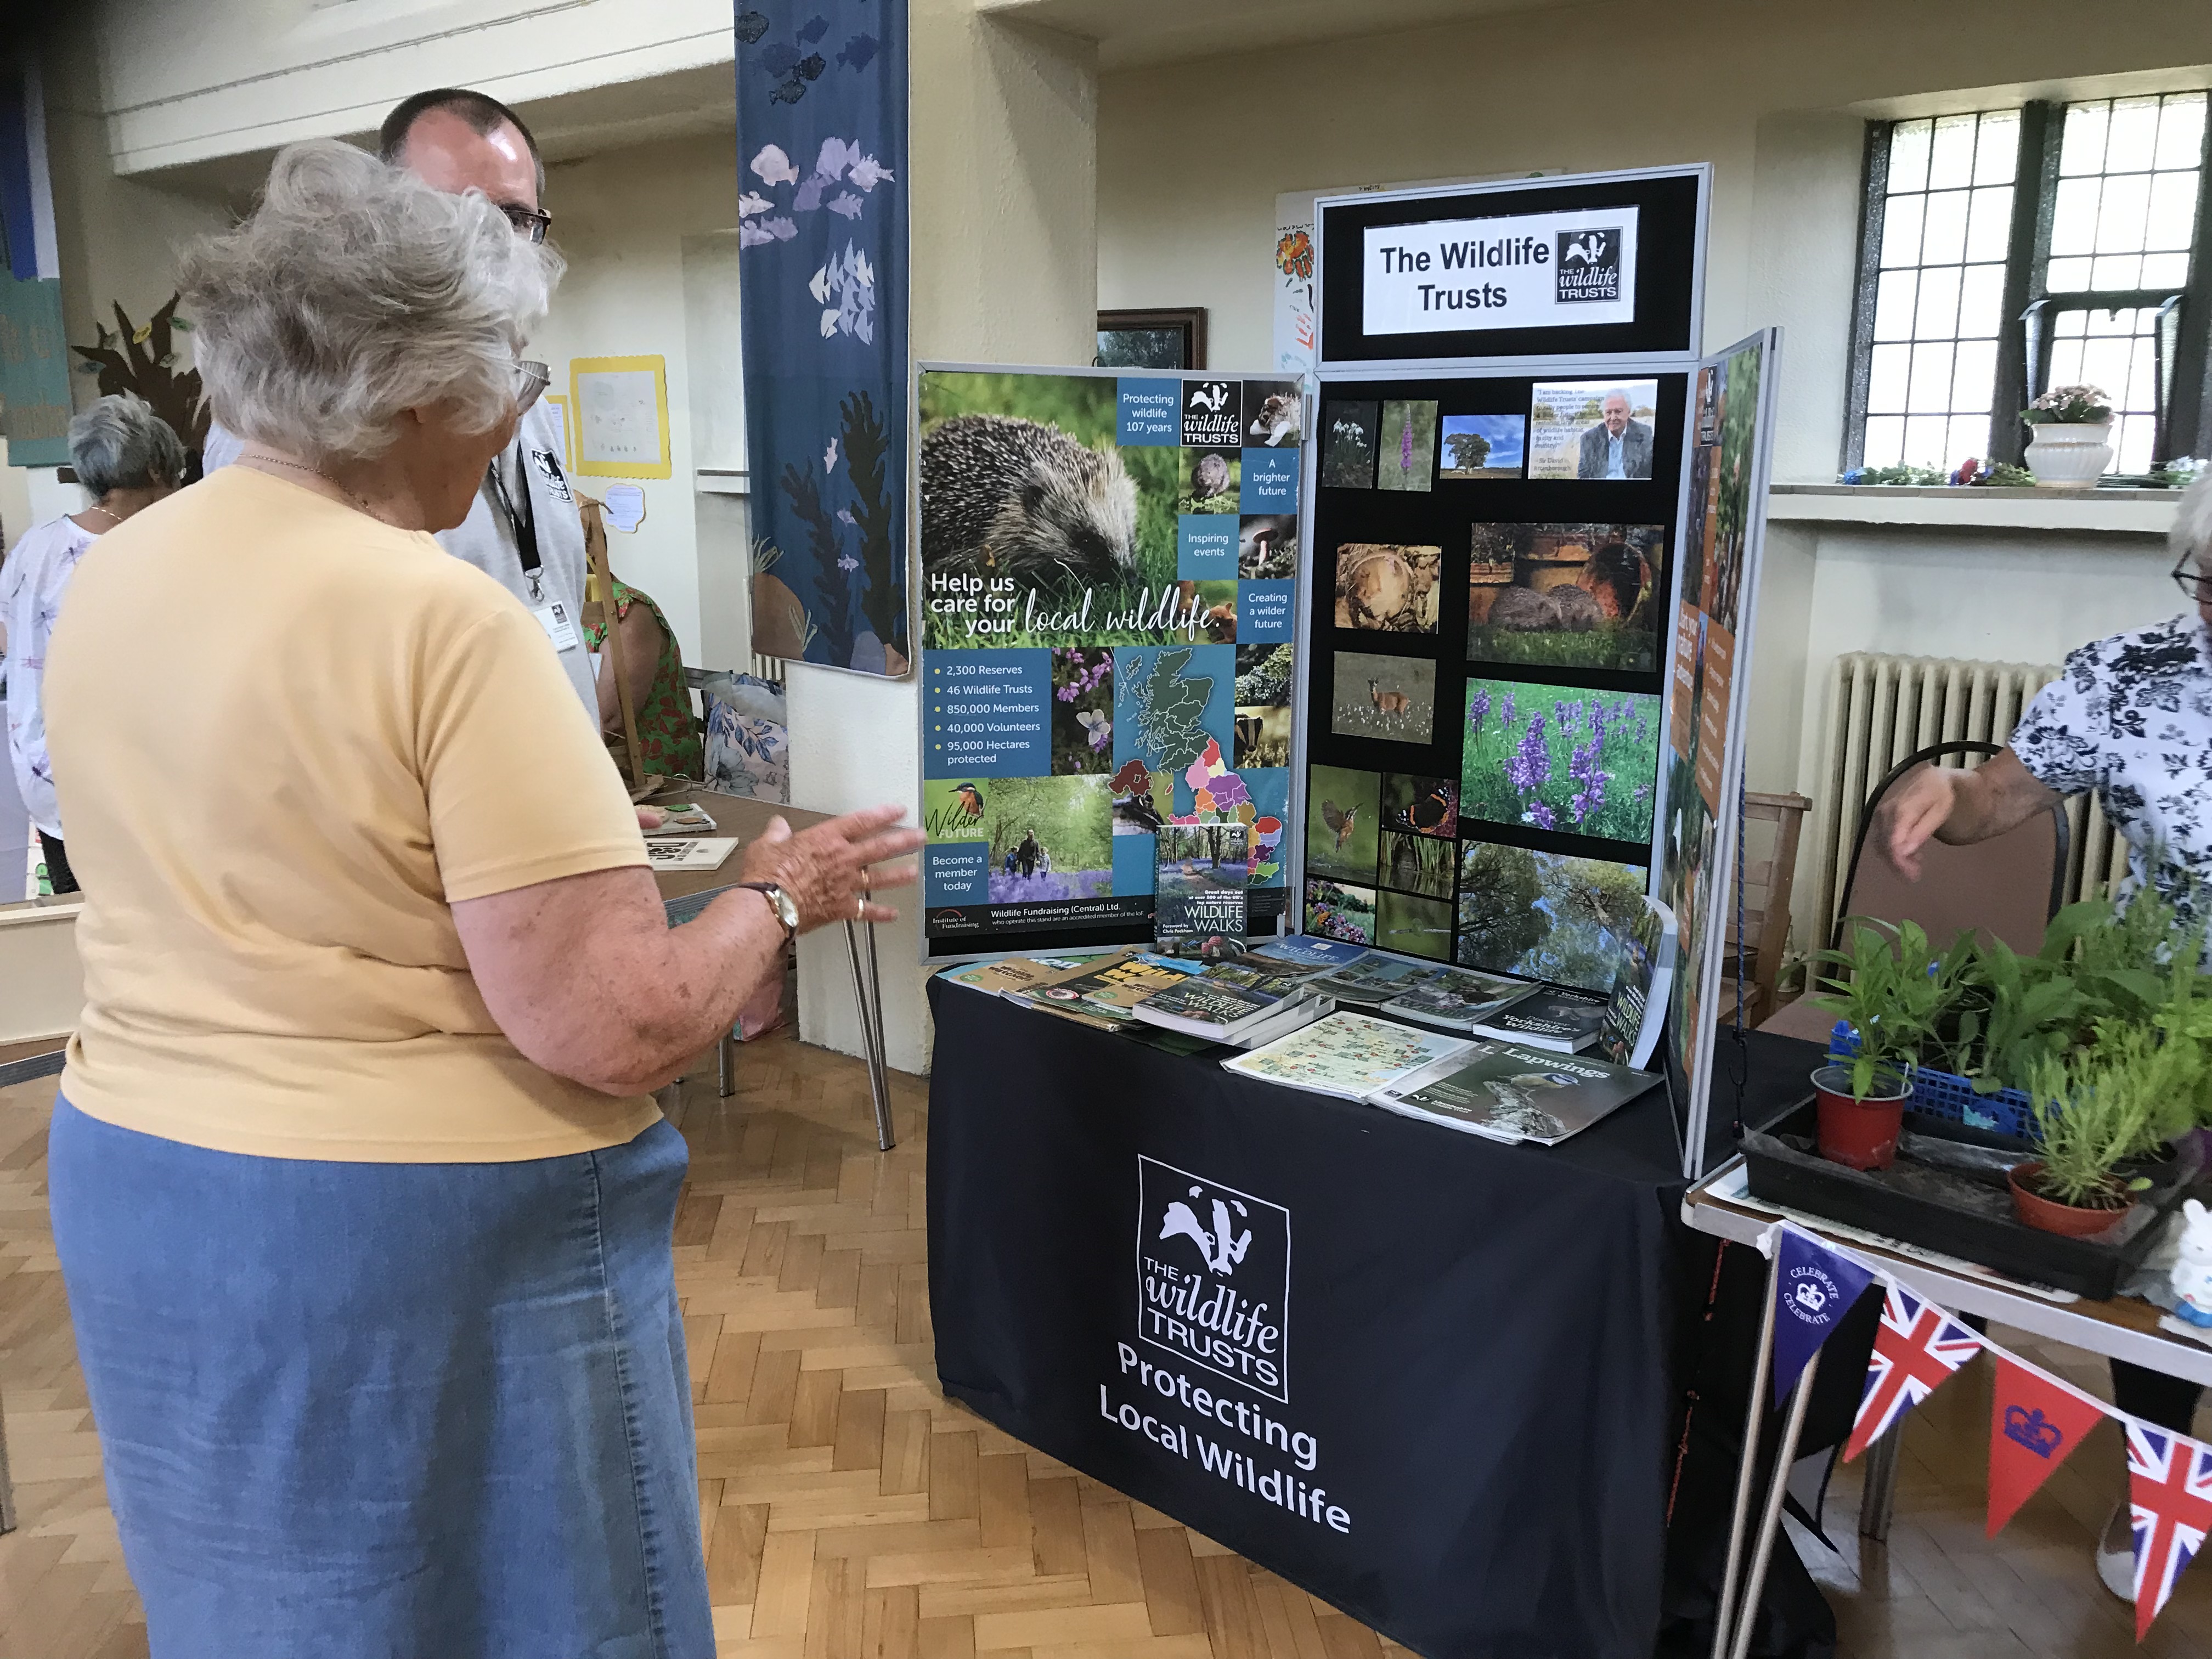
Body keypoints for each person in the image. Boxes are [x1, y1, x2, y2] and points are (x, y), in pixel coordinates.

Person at [40, 140, 922, 1658]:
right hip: (407, 1234)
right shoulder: (441, 616)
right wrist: (777, 896)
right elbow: (616, 1023)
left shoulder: (114, 571)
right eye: (508, 374)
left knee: (265, 1606)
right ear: (418, 393)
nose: (516, 414)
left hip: (140, 1178)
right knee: (533, 1610)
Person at [1874, 471, 2212, 1600]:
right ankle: (2155, 1474)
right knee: (2152, 1263)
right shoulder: (2131, 674)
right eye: (2209, 580)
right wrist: (1947, 794)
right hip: (2155, 1026)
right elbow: (2003, 795)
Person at [203, 89, 597, 720]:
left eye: (513, 218)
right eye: (450, 213)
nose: (489, 246)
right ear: (379, 223)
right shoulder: (292, 423)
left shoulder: (529, 399)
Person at [0, 395, 184, 895]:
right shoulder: (147, 550)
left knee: (78, 912)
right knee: (145, 912)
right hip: (122, 784)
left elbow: (9, 634)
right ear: (156, 469)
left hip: (44, 769)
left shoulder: (34, 545)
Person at [586, 572, 705, 777]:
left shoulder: (626, 611)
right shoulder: (551, 608)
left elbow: (609, 722)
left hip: (652, 775)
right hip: (587, 766)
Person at [1576, 388, 1654, 480]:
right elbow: (1583, 477)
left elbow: (1648, 473)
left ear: (1629, 412)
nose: (1613, 418)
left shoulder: (1644, 434)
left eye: (1618, 412)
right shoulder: (1589, 438)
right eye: (1608, 413)